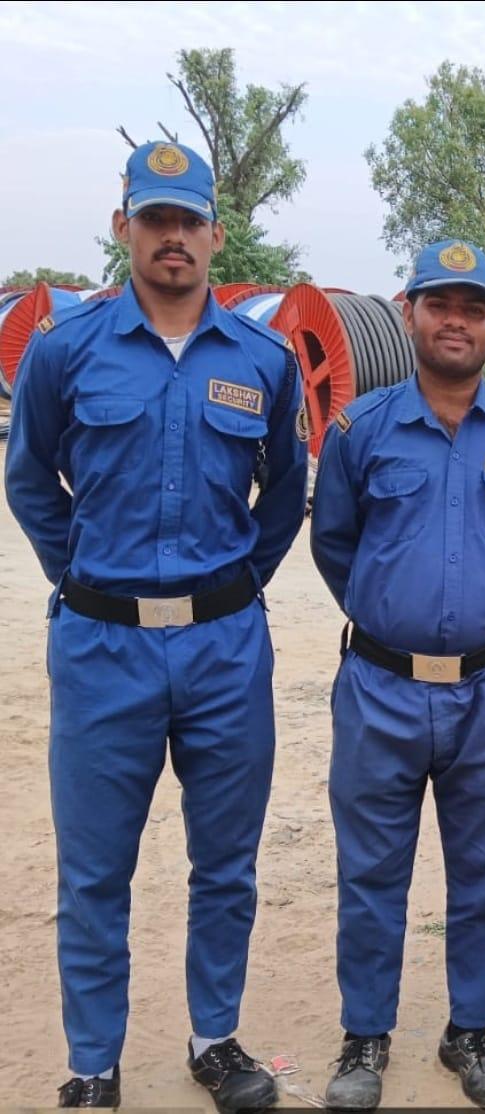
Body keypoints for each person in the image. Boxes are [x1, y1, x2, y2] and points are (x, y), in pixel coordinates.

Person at [5, 141, 307, 1110]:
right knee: (95, 873)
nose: (172, 238)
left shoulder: (262, 361)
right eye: (154, 218)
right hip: (102, 651)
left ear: (217, 233)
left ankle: (214, 1039)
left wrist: (234, 587)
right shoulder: (66, 351)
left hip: (224, 653)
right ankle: (93, 1063)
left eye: (189, 220)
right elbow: (28, 477)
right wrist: (86, 578)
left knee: (227, 864)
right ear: (123, 225)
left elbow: (287, 494)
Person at [310, 239, 485, 1110]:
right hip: (381, 688)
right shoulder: (359, 430)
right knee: (373, 871)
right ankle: (365, 1036)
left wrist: (478, 621)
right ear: (408, 310)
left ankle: (471, 1031)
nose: (455, 320)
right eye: (439, 303)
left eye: (474, 306)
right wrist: (400, 614)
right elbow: (336, 547)